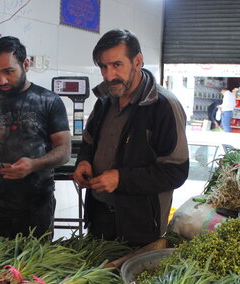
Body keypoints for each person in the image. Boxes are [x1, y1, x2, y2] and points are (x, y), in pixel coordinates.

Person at [73, 29, 189, 246]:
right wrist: (84, 161)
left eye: (117, 65)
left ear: (137, 62)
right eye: (103, 67)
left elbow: (176, 172)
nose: (108, 76)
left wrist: (121, 179)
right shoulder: (105, 100)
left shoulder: (163, 106)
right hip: (99, 218)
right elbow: (89, 141)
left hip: (140, 227)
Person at [0, 36, 71, 238]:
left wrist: (33, 165)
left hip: (37, 205)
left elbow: (64, 151)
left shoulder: (49, 101)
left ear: (25, 64)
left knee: (34, 267)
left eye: (9, 71)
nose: (2, 80)